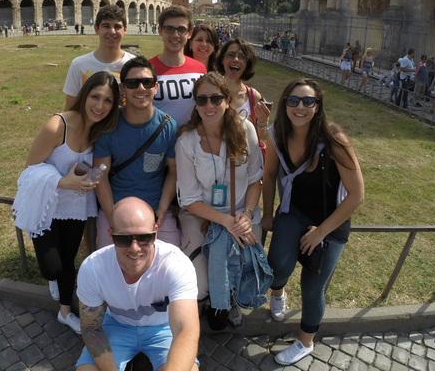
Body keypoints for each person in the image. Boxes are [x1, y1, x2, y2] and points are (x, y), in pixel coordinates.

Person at [261, 79, 364, 365]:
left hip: (330, 220)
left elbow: (356, 196)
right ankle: (278, 292)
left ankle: (306, 342)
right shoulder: (278, 134)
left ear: (318, 107)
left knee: (312, 286)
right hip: (294, 210)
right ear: (284, 104)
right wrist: (268, 212)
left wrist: (320, 232)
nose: (300, 107)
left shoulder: (335, 140)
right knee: (278, 266)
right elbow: (268, 176)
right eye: (293, 101)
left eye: (308, 101)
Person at [14, 72, 120, 334]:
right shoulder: (57, 125)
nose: (100, 106)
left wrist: (89, 179)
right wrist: (63, 182)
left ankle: (64, 312)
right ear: (84, 95)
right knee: (53, 268)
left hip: (75, 206)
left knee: (69, 261)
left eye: (108, 101)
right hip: (47, 205)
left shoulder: (100, 130)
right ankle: (54, 276)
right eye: (95, 97)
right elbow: (29, 170)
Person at [175, 72, 265, 328]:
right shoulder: (187, 142)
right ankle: (209, 299)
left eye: (216, 99)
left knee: (244, 266)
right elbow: (190, 200)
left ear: (227, 100)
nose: (209, 106)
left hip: (241, 212)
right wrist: (227, 221)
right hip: (200, 215)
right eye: (202, 99)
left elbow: (254, 180)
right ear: (195, 103)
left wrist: (246, 215)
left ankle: (232, 299)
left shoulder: (245, 129)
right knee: (200, 285)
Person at [76, 197, 200, 371]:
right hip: (116, 326)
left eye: (144, 237)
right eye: (124, 239)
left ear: (155, 233)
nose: (135, 248)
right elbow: (91, 329)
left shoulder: (176, 264)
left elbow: (186, 329)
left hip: (164, 329)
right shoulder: (93, 268)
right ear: (111, 235)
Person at [94, 57, 180, 248]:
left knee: (173, 262)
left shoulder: (168, 127)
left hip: (156, 211)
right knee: (110, 266)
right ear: (123, 88)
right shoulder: (108, 125)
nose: (141, 88)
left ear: (155, 87)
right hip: (115, 208)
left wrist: (163, 208)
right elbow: (101, 176)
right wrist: (112, 217)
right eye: (133, 83)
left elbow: (173, 171)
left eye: (147, 82)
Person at [63, 5, 135, 110]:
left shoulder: (134, 65)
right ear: (96, 29)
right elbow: (70, 110)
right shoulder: (79, 65)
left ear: (125, 30)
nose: (112, 31)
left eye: (117, 27)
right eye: (106, 26)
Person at [150, 6, 207, 126]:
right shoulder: (147, 70)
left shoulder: (200, 69)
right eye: (169, 29)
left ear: (190, 33)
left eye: (181, 29)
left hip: (191, 142)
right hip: (158, 142)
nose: (176, 35)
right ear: (160, 30)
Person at [215, 38, 271, 144]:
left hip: (242, 157)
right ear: (223, 59)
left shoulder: (253, 96)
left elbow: (256, 137)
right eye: (231, 55)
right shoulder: (210, 90)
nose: (236, 59)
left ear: (247, 63)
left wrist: (263, 121)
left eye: (242, 57)